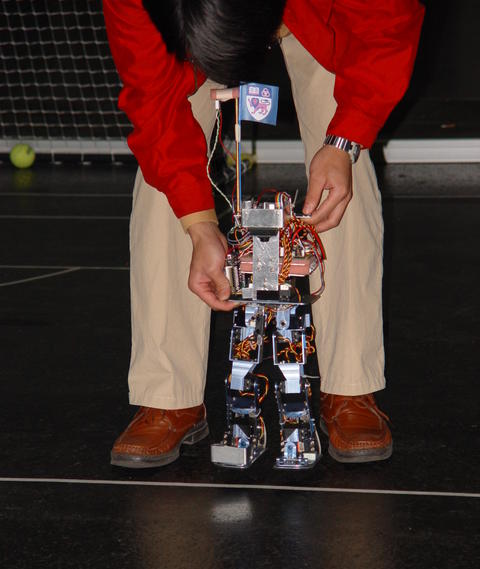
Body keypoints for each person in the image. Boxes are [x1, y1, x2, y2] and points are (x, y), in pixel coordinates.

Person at [103, 0, 425, 468]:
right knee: (162, 175)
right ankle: (168, 396)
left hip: (320, 13)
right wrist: (198, 224)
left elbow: (387, 29)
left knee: (344, 170)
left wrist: (345, 140)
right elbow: (154, 103)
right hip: (190, 37)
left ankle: (350, 389)